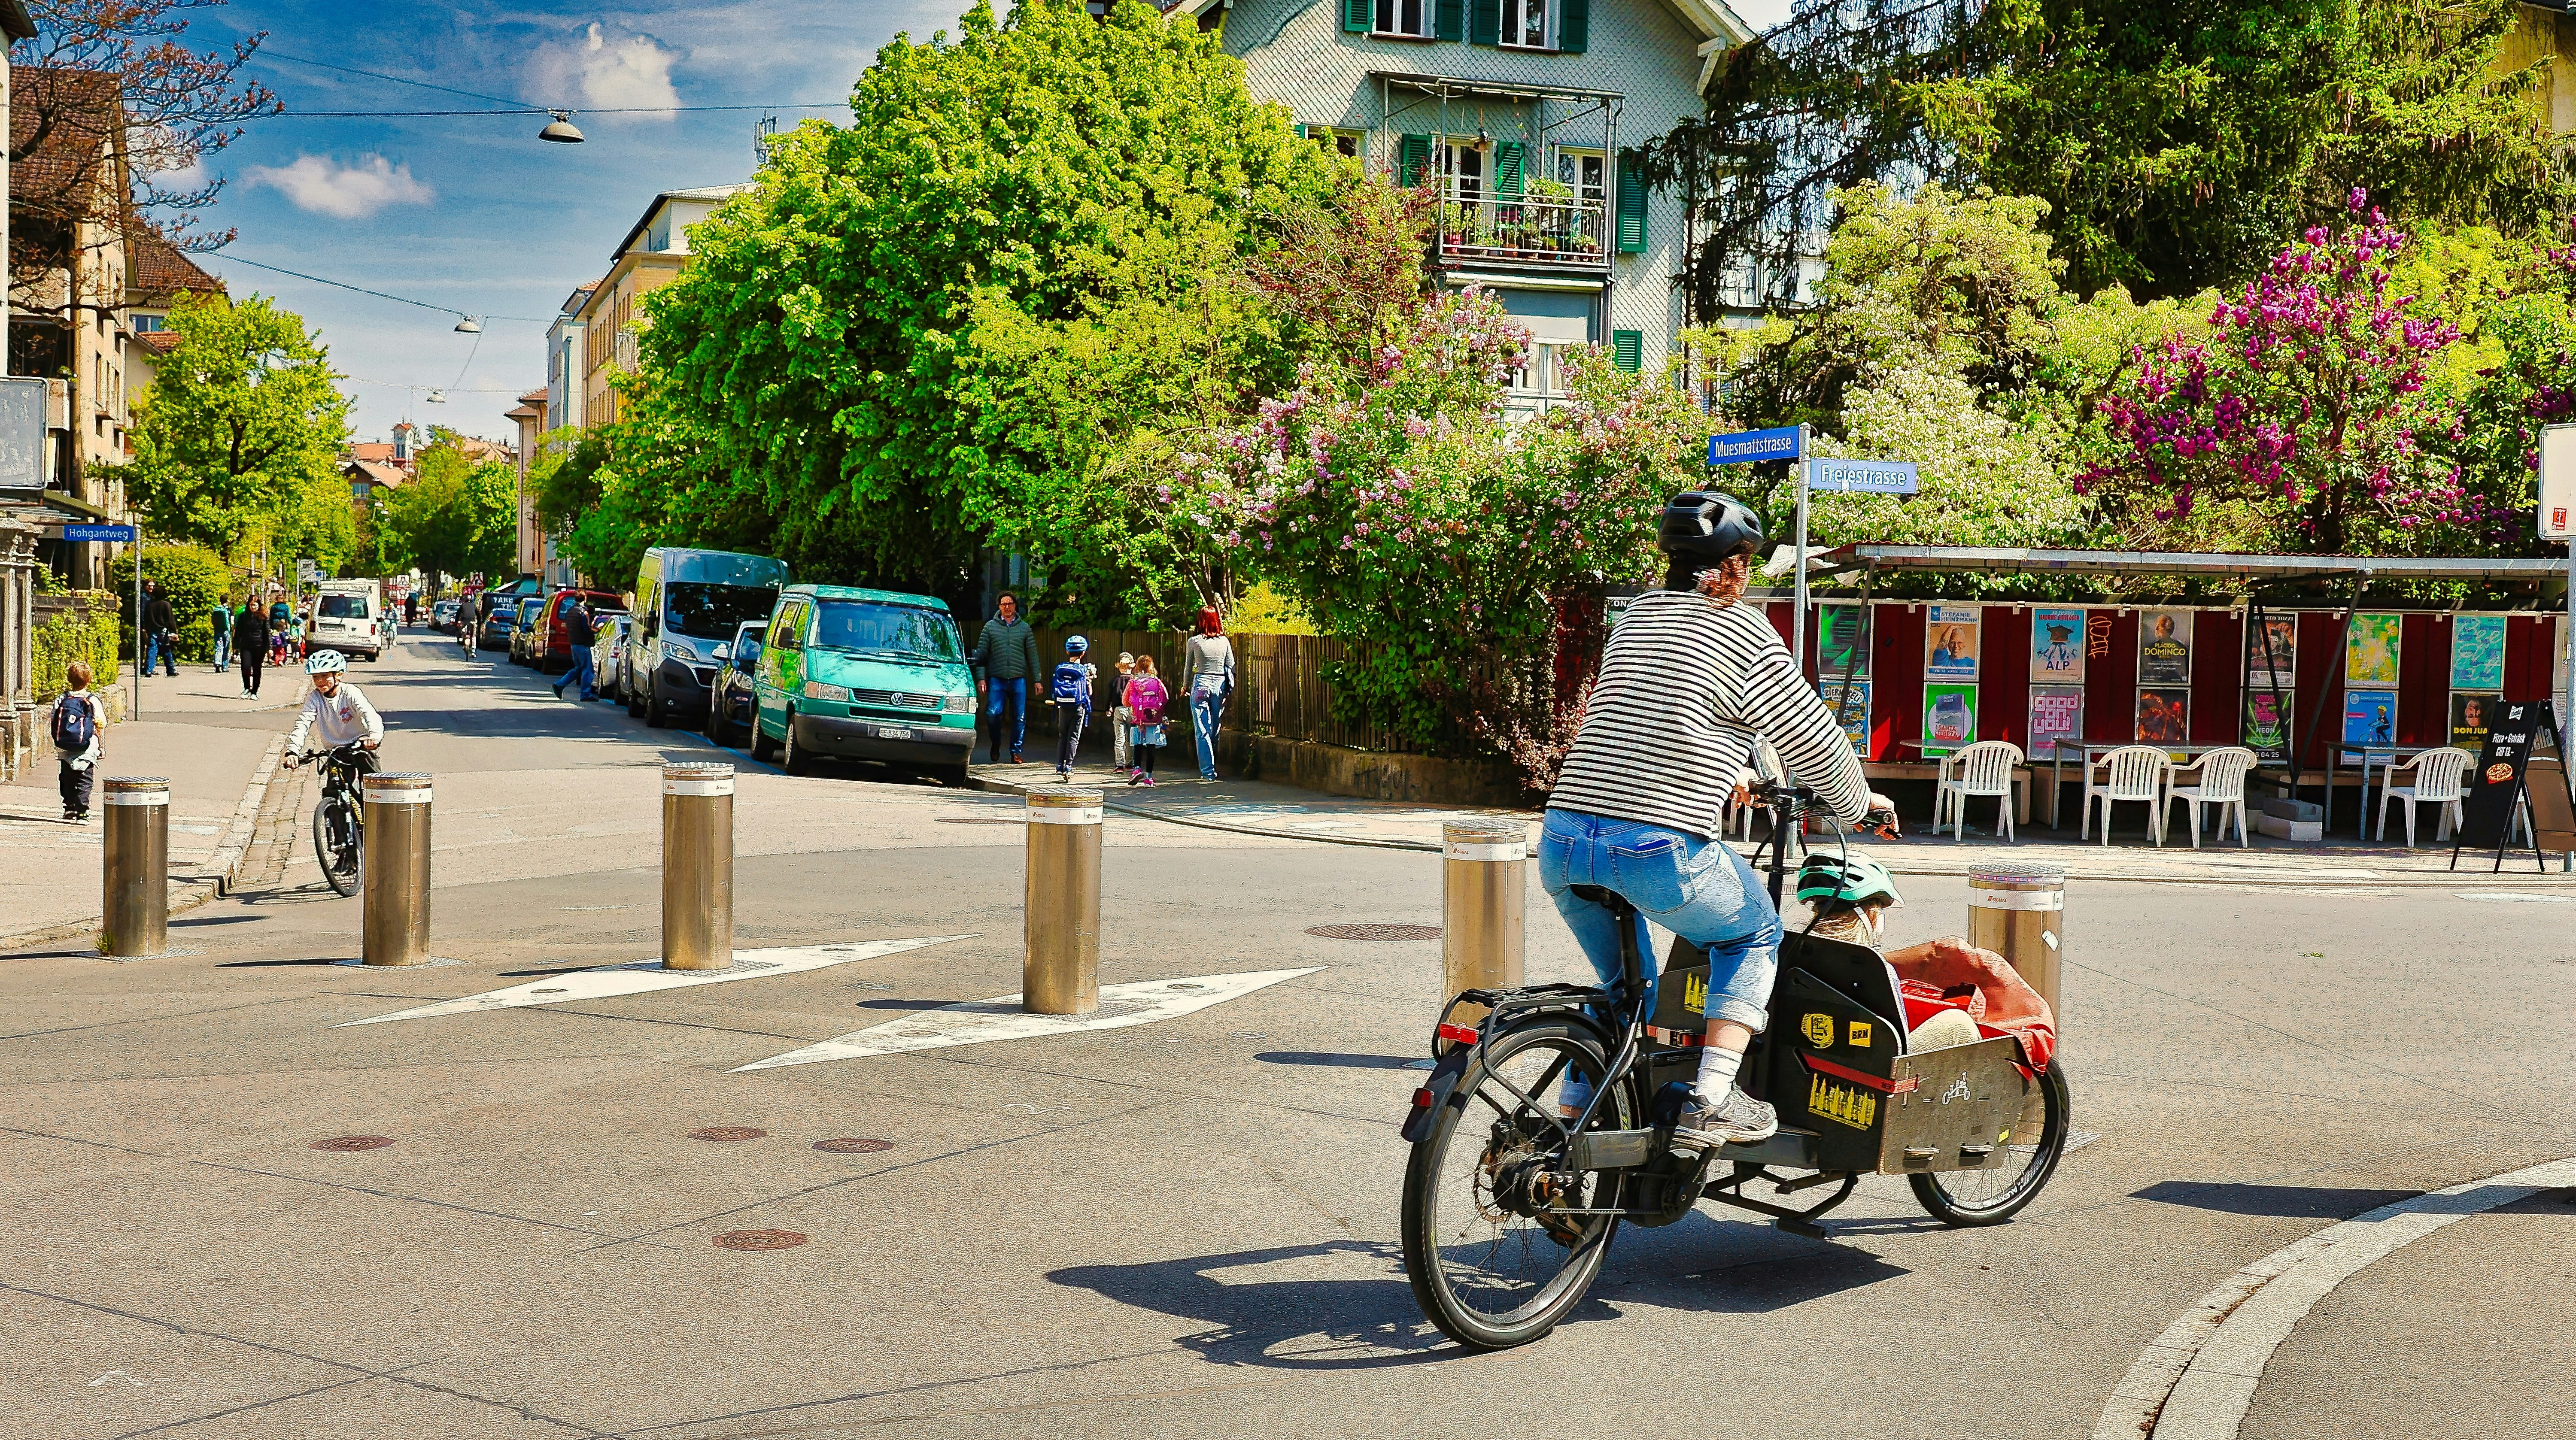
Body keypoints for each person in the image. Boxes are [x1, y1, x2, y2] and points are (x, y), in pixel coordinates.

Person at [1543, 491, 1893, 1150]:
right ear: (1735, 562)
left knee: (1627, 989)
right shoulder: (1746, 631)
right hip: (1653, 843)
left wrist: (1734, 766)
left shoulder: (1636, 617)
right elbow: (1811, 737)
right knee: (1753, 931)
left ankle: (1566, 1127)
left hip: (1562, 838)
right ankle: (1711, 1099)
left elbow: (1658, 713)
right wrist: (1856, 803)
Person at [283, 650, 384, 773]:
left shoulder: (350, 692)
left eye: (325, 676)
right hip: (336, 750)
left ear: (338, 675)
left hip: (361, 744)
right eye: (315, 677)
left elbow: (369, 713)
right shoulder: (315, 698)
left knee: (374, 783)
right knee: (333, 789)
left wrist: (374, 736)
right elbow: (303, 724)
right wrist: (292, 751)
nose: (320, 681)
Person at [969, 591, 1041, 764]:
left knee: (1020, 717)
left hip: (1018, 678)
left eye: (1010, 604)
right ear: (999, 607)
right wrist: (981, 678)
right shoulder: (990, 628)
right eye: (1003, 604)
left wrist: (1037, 680)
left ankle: (1015, 752)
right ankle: (996, 741)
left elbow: (1033, 656)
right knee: (993, 714)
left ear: (1015, 606)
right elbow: (981, 655)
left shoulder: (1024, 629)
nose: (1007, 607)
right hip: (997, 678)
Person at [1183, 606, 1235, 780]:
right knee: (1214, 727)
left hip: (1201, 684)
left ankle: (1208, 771)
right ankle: (1213, 761)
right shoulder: (1224, 641)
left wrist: (1185, 686)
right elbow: (1232, 665)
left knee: (1202, 729)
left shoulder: (1194, 641)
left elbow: (1188, 667)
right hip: (1219, 686)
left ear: (1200, 621)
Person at [51, 661, 104, 822]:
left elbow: (53, 719)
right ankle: (82, 812)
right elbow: (101, 724)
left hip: (66, 745)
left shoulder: (62, 699)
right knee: (85, 779)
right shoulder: (92, 700)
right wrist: (101, 747)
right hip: (87, 746)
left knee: (66, 778)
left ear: (69, 679)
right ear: (89, 680)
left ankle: (69, 808)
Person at [1048, 635, 1096, 779]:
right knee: (1073, 737)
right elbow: (1090, 692)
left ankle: (1059, 765)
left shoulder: (1060, 668)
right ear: (1083, 653)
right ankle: (1069, 766)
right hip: (1078, 708)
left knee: (1062, 736)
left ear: (1067, 652)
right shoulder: (1084, 670)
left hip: (1062, 706)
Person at [1125, 654, 1170, 786]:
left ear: (1138, 667)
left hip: (1137, 720)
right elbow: (1165, 698)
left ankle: (1137, 769)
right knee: (1151, 747)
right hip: (1153, 719)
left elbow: (1125, 701)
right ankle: (1149, 778)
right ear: (1151, 666)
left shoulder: (1133, 681)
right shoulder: (1157, 682)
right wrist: (1158, 710)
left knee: (1138, 745)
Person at [552, 595, 598, 701]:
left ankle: (560, 685)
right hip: (583, 645)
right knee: (588, 670)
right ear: (585, 599)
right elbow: (587, 629)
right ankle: (585, 695)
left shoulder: (570, 611)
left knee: (578, 669)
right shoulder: (583, 613)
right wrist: (597, 630)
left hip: (574, 644)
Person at [233, 600, 271, 697]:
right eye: (251, 605)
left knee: (257, 669)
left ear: (259, 606)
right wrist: (236, 646)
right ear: (248, 605)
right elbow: (238, 632)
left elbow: (267, 634)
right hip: (246, 646)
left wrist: (270, 648)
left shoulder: (263, 617)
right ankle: (247, 688)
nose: (253, 607)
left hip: (259, 647)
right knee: (246, 667)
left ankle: (254, 692)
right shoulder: (243, 617)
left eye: (255, 605)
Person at [141, 581, 178, 677]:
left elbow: (146, 617)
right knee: (166, 650)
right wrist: (174, 631)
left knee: (152, 650)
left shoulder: (150, 605)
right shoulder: (166, 605)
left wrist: (146, 628)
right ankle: (171, 670)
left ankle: (149, 670)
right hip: (163, 632)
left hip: (152, 630)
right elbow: (170, 620)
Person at [1109, 652, 1136, 772]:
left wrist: (1108, 708)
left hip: (1119, 709)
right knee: (1131, 737)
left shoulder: (1115, 681)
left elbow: (1110, 697)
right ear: (1132, 666)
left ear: (1119, 667)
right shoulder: (1135, 680)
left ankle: (1119, 764)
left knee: (1120, 738)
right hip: (1132, 710)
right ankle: (1130, 763)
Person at [210, 595, 232, 672]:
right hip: (226, 631)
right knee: (226, 648)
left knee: (219, 647)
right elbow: (232, 621)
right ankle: (225, 667)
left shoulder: (216, 609)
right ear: (227, 600)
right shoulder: (229, 610)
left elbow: (213, 620)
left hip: (218, 630)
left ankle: (218, 662)